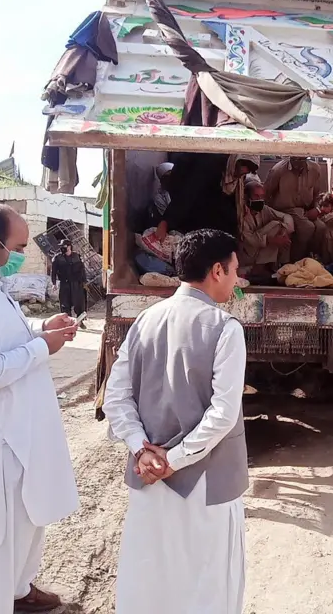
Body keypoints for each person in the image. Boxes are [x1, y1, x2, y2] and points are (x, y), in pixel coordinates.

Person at [103, 228, 248, 614]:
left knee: (151, 577)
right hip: (206, 484)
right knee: (206, 582)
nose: (237, 280)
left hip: (148, 478)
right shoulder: (225, 329)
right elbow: (223, 414)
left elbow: (116, 398)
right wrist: (175, 459)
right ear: (217, 271)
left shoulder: (145, 320)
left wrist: (142, 451)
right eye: (235, 270)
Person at [0, 204, 79, 613]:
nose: (20, 256)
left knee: (29, 514)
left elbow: (8, 336)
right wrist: (41, 347)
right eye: (18, 247)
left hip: (22, 429)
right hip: (3, 434)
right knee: (3, 530)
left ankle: (19, 589)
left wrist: (42, 329)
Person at [264, 157, 326, 262]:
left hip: (305, 209)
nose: (297, 162)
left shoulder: (315, 169)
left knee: (321, 227)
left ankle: (312, 257)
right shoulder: (278, 170)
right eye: (294, 159)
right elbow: (267, 193)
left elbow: (316, 195)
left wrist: (316, 209)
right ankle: (296, 261)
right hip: (285, 209)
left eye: (301, 159)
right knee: (307, 227)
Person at [239, 177, 294, 274]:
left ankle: (276, 265)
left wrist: (284, 230)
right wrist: (272, 240)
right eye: (256, 196)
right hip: (246, 254)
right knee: (274, 225)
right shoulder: (241, 214)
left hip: (261, 249)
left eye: (261, 196)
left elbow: (287, 216)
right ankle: (259, 269)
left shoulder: (265, 209)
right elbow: (252, 240)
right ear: (246, 197)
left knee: (279, 226)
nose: (259, 199)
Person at [51, 239, 87, 327]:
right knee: (65, 304)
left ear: (69, 246)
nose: (62, 248)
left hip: (77, 284)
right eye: (61, 246)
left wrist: (84, 282)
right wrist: (54, 283)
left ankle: (80, 321)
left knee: (79, 303)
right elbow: (54, 272)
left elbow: (82, 271)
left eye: (64, 246)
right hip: (65, 284)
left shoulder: (77, 256)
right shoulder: (57, 258)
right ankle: (67, 323)